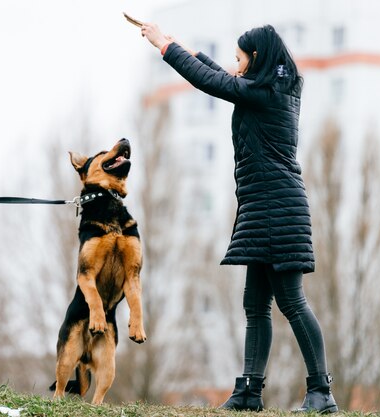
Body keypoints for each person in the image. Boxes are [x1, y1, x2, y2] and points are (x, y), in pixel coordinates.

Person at [140, 23, 338, 413]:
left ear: (257, 60)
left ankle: (321, 392)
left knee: (292, 302)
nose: (236, 65)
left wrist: (164, 46)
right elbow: (219, 75)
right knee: (255, 303)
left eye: (240, 58)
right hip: (266, 206)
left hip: (277, 208)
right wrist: (185, 47)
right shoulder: (271, 88)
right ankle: (249, 391)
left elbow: (212, 83)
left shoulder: (263, 93)